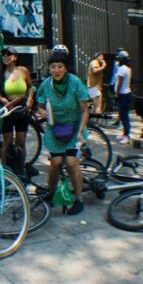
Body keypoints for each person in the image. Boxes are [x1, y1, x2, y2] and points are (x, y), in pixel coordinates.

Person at [35, 51, 90, 215]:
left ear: (66, 68)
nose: (56, 70)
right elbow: (40, 106)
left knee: (72, 163)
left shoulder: (76, 83)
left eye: (60, 67)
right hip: (55, 129)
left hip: (75, 129)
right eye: (53, 67)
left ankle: (78, 199)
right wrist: (41, 111)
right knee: (55, 163)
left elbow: (85, 110)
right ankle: (50, 193)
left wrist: (81, 132)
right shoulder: (46, 85)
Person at [0, 46, 34, 166]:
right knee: (7, 142)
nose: (6, 57)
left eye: (8, 54)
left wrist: (30, 99)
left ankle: (21, 167)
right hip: (7, 108)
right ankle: (4, 169)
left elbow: (30, 86)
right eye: (4, 55)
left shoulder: (23, 71)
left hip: (22, 107)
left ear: (15, 57)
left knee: (21, 141)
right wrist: (3, 101)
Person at [114, 50, 132, 145]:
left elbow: (119, 83)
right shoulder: (128, 68)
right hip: (127, 93)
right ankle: (125, 133)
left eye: (119, 59)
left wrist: (116, 95)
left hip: (123, 95)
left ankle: (127, 136)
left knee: (124, 116)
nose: (118, 61)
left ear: (122, 60)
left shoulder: (122, 69)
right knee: (124, 115)